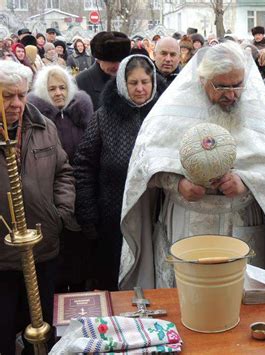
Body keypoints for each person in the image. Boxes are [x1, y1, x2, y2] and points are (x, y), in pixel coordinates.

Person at [118, 41, 265, 290]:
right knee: (188, 292)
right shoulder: (170, 113)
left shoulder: (257, 112)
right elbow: (145, 166)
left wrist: (246, 183)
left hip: (240, 221)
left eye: (238, 84)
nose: (232, 93)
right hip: (187, 220)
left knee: (240, 295)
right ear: (202, 80)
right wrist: (176, 183)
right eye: (222, 86)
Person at [0, 60, 75, 354]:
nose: (16, 103)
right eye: (7, 96)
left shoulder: (43, 127)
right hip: (2, 257)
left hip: (43, 245)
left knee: (42, 327)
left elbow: (63, 172)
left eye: (21, 95)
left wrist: (60, 213)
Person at [74, 55, 164, 291]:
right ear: (122, 84)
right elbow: (84, 164)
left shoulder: (163, 117)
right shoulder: (104, 117)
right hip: (113, 216)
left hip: (155, 213)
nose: (141, 88)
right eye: (133, 83)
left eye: (145, 81)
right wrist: (88, 212)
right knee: (115, 279)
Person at [28, 65, 93, 291]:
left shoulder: (82, 114)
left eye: (63, 87)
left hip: (82, 192)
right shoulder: (37, 121)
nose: (58, 93)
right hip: (50, 196)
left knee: (80, 256)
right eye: (52, 88)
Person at [76, 31, 131, 111]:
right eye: (112, 61)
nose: (117, 66)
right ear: (99, 59)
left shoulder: (129, 78)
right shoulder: (82, 81)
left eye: (121, 61)